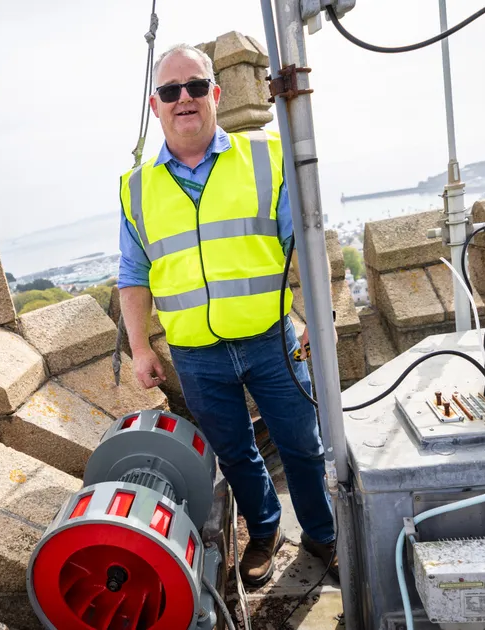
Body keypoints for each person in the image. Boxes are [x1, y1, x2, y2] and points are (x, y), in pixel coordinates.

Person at [116, 43, 338, 587]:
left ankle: (323, 535)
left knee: (304, 446)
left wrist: (317, 317)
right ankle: (264, 532)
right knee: (236, 455)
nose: (184, 99)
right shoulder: (136, 187)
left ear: (215, 93)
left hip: (272, 340)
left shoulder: (268, 156)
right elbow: (133, 273)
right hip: (195, 354)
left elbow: (305, 246)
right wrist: (142, 348)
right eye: (171, 91)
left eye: (194, 86)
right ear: (156, 105)